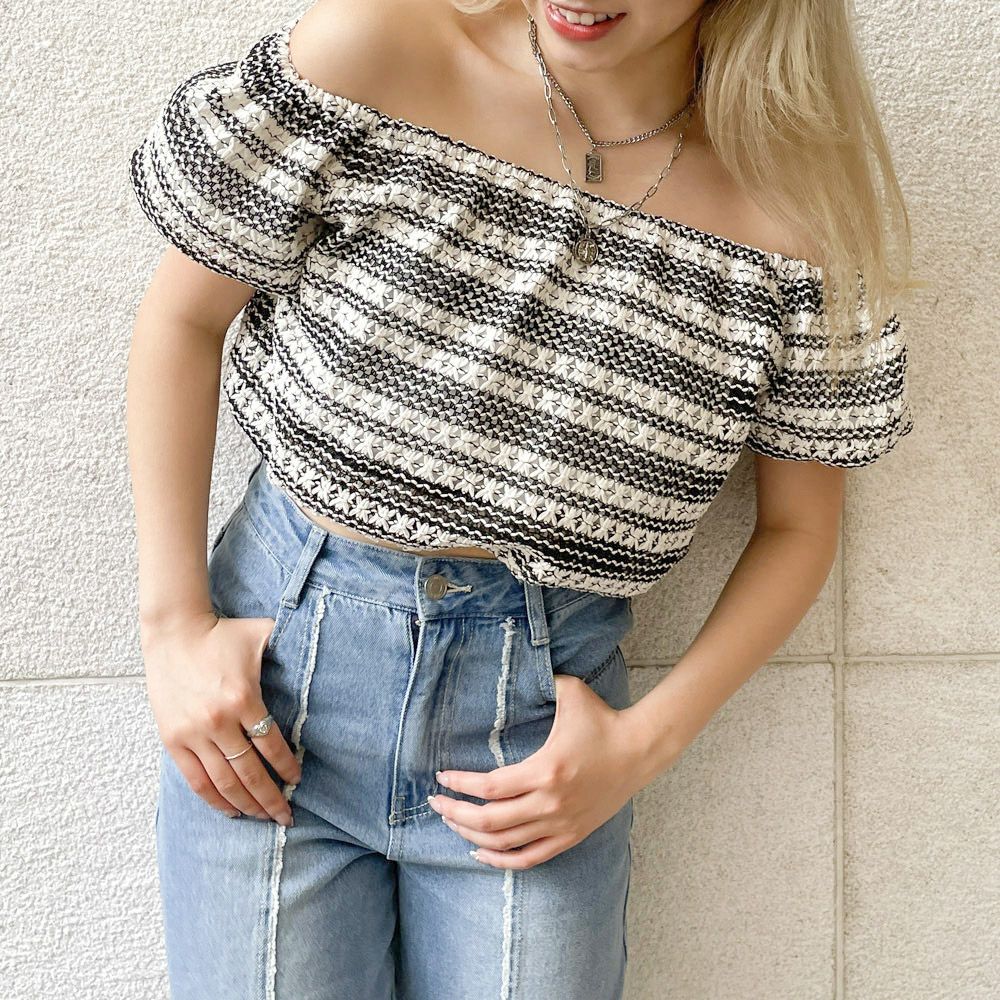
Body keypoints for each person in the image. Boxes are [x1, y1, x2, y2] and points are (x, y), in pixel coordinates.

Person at [126, 1, 915, 996]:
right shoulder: (376, 51)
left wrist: (641, 744)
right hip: (272, 697)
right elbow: (183, 320)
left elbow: (799, 527)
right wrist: (172, 630)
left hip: (536, 744)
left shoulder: (798, 213)